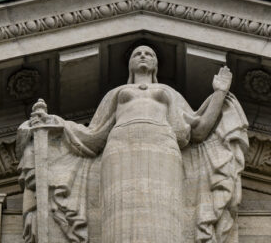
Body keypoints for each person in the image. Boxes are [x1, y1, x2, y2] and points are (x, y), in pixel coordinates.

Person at [17, 45, 248, 243]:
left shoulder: (167, 92)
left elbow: (198, 130)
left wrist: (220, 93)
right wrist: (54, 124)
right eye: (137, 53)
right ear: (130, 65)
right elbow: (93, 136)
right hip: (118, 148)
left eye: (149, 53)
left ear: (156, 64)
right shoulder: (118, 93)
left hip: (164, 148)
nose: (143, 56)